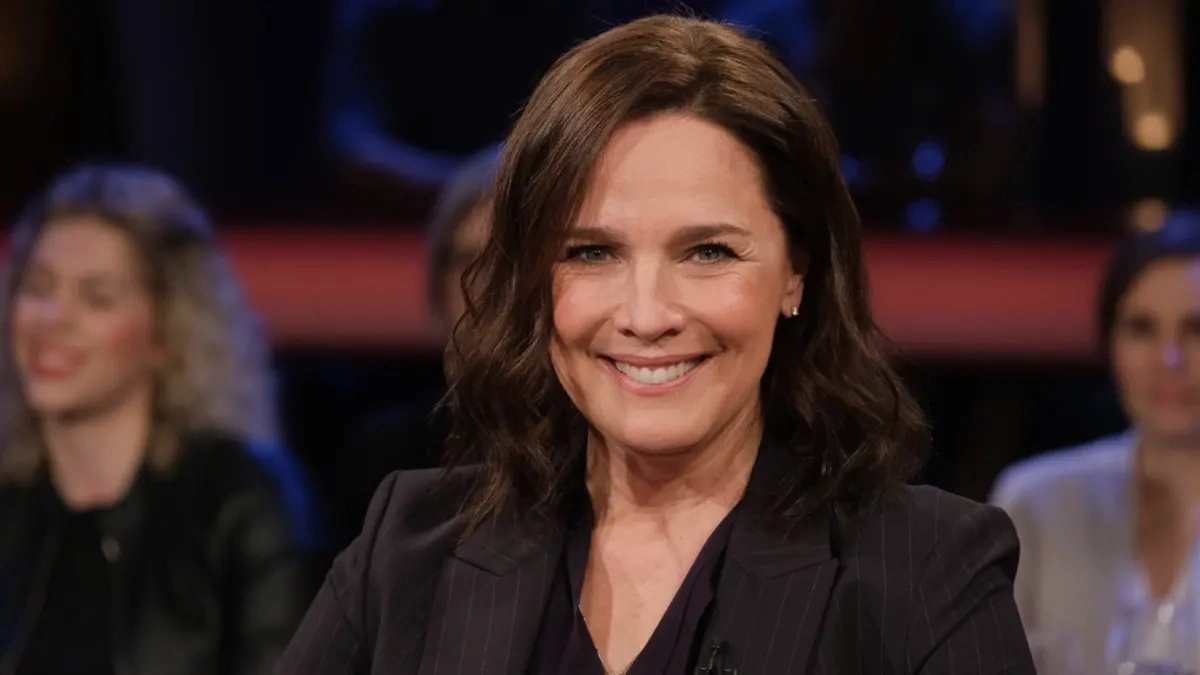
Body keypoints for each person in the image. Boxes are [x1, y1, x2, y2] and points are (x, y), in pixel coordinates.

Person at [281, 15, 1033, 674]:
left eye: (708, 252)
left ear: (795, 273)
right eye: (591, 252)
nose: (646, 315)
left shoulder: (925, 572)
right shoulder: (409, 550)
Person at [0, 164, 320, 675]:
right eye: (37, 287)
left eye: (97, 297)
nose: (52, 319)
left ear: (167, 332)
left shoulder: (244, 504)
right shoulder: (11, 500)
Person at [991, 221, 1200, 671]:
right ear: (1110, 346)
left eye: (1196, 329)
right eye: (1142, 329)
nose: (1170, 359)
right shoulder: (1034, 503)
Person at [333, 144, 499, 540]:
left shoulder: (602, 454)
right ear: (436, 288)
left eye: (503, 263)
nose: (480, 287)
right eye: (466, 261)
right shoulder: (385, 462)